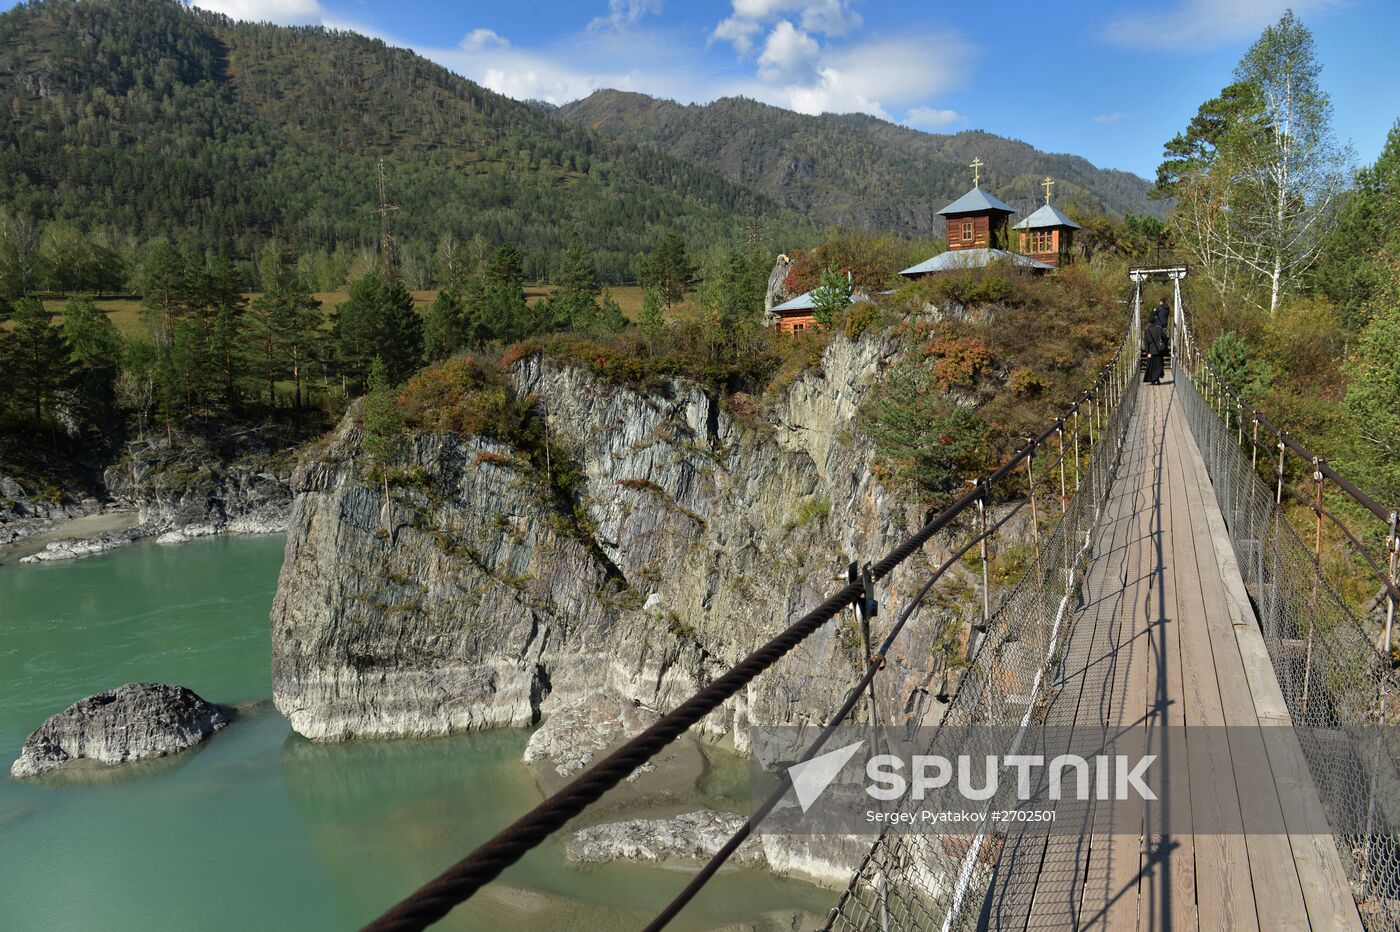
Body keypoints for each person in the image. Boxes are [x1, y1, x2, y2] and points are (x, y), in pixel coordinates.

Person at [1144, 318, 1167, 384]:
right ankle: (1157, 379)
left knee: (1152, 366)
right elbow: (1164, 338)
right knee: (1159, 365)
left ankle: (1153, 380)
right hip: (1159, 351)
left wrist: (1147, 352)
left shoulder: (1147, 330)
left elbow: (1146, 342)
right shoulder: (1159, 329)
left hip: (1151, 352)